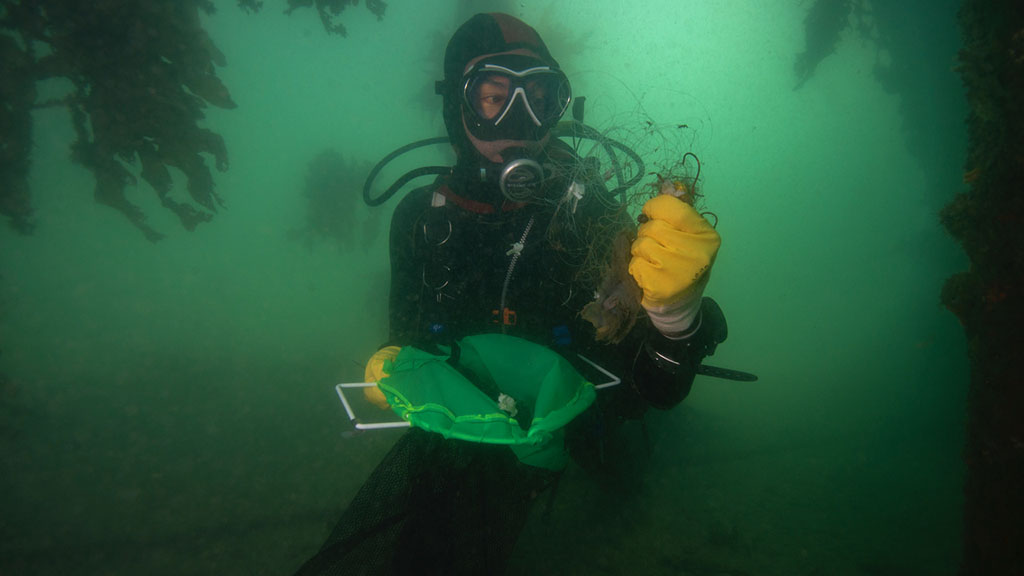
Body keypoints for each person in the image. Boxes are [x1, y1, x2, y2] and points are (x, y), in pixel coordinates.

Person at [294, 12, 727, 575]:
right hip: (483, 421)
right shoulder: (422, 221)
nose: (520, 121)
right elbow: (409, 342)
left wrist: (675, 319)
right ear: (458, 105)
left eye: (540, 97)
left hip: (587, 418)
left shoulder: (588, 215)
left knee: (622, 473)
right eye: (494, 97)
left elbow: (655, 389)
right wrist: (396, 370)